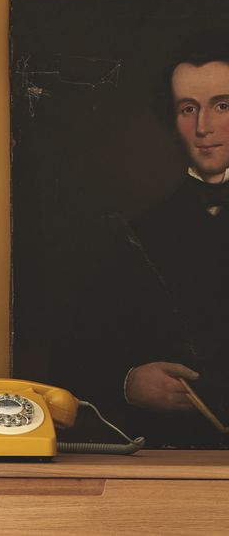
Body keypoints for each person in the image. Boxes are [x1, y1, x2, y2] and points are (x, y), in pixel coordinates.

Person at [55, 30, 229, 448]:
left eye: (222, 106)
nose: (204, 127)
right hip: (168, 460)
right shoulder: (137, 231)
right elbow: (71, 354)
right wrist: (130, 382)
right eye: (188, 109)